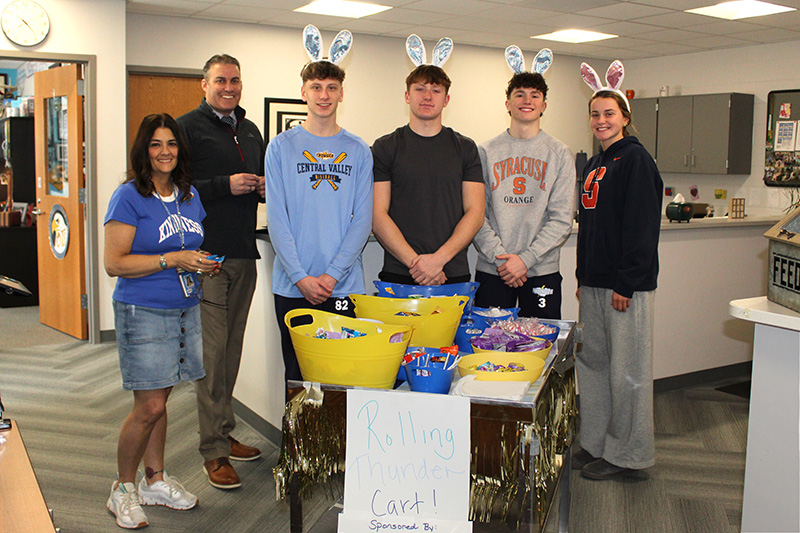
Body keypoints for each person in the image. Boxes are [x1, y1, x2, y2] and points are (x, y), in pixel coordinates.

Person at [104, 113, 212, 528]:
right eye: (155, 144)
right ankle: (122, 488)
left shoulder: (189, 195)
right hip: (142, 311)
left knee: (160, 402)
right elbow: (115, 263)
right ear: (143, 150)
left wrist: (199, 264)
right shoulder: (128, 196)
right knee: (148, 406)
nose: (165, 151)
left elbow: (190, 245)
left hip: (184, 307)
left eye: (171, 143)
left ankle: (155, 480)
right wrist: (173, 259)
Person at [177, 54, 265, 490]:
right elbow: (173, 188)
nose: (228, 87)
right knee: (211, 358)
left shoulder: (249, 130)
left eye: (235, 80)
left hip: (243, 254)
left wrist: (265, 184)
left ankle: (225, 434)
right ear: (204, 84)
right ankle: (212, 451)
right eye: (220, 81)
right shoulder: (186, 129)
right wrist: (222, 186)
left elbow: (261, 178)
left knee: (231, 352)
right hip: (206, 257)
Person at [573, 69, 663, 481]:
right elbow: (593, 226)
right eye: (595, 114)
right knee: (593, 366)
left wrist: (626, 281)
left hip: (623, 287)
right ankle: (595, 442)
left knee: (626, 372)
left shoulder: (637, 161)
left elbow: (642, 227)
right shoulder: (597, 162)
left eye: (609, 113)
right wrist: (582, 275)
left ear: (624, 116)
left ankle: (628, 455)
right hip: (593, 283)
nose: (601, 120)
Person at [265, 46, 373, 387]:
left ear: (341, 93)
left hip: (344, 285)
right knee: (298, 376)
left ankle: (338, 444)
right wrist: (300, 276)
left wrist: (332, 276)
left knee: (341, 375)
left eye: (330, 88)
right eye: (315, 87)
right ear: (303, 93)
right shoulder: (281, 147)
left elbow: (362, 219)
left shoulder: (358, 150)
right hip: (292, 286)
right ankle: (297, 444)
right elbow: (277, 218)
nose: (323, 95)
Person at [472, 69, 575, 318]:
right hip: (494, 270)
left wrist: (525, 260)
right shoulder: (485, 152)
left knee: (541, 348)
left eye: (534, 95)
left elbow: (561, 219)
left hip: (541, 271)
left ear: (544, 105)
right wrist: (503, 262)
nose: (527, 100)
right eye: (520, 95)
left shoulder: (559, 153)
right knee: (488, 348)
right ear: (508, 104)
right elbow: (475, 215)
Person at [372, 62, 484, 286]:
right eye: (420, 89)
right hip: (400, 273)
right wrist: (418, 265)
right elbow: (377, 214)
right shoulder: (385, 147)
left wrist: (438, 261)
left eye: (436, 90)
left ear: (446, 99)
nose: (427, 96)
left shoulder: (465, 148)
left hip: (452, 273)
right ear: (407, 95)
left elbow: (476, 212)